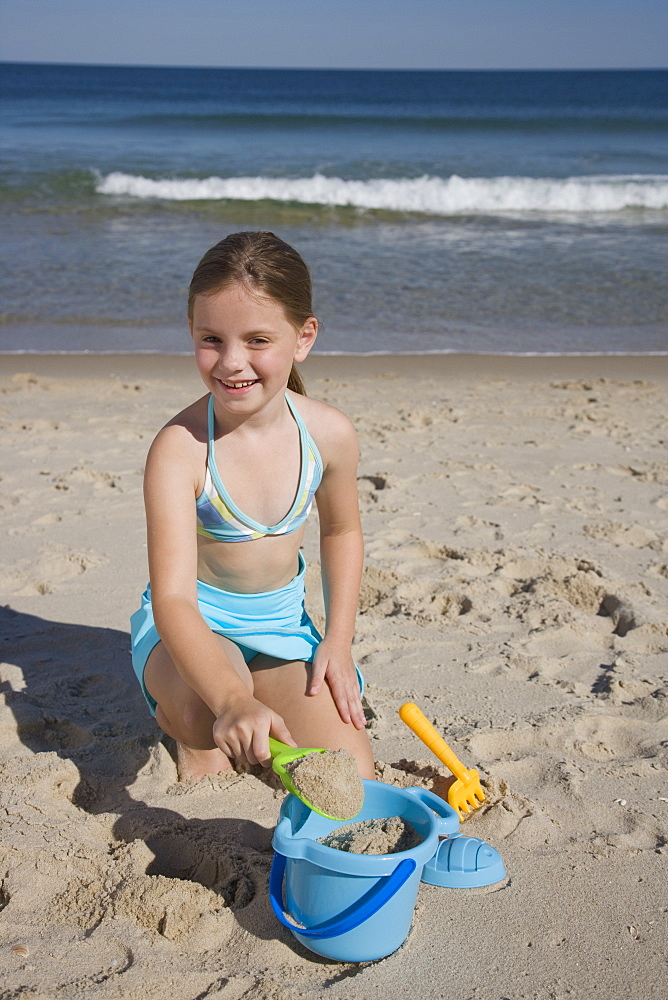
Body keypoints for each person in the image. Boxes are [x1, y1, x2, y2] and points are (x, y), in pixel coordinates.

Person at [130, 231, 374, 782]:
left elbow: (341, 532)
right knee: (202, 711)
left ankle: (253, 695)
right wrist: (230, 699)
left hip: (283, 628)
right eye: (211, 338)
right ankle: (200, 730)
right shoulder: (180, 449)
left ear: (303, 337)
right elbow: (171, 597)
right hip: (193, 625)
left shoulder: (328, 434)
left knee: (350, 775)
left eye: (258, 339)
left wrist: (337, 641)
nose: (231, 362)